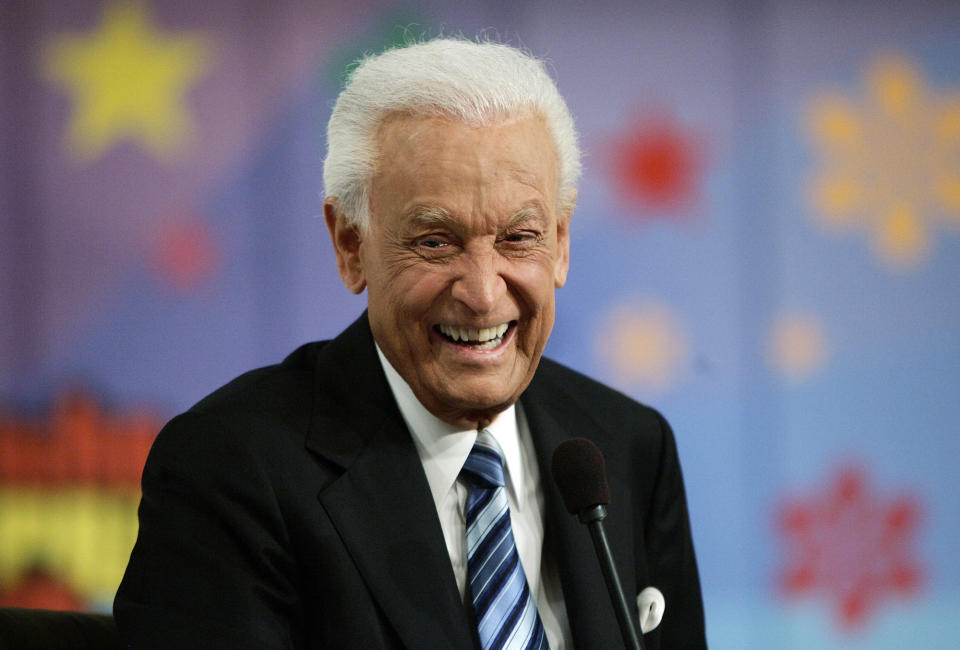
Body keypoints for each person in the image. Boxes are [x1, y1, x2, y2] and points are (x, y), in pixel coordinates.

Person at [114, 38, 706, 649]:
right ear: (350, 245)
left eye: (518, 237)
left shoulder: (628, 446)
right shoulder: (234, 469)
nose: (482, 292)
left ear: (560, 242)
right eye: (434, 242)